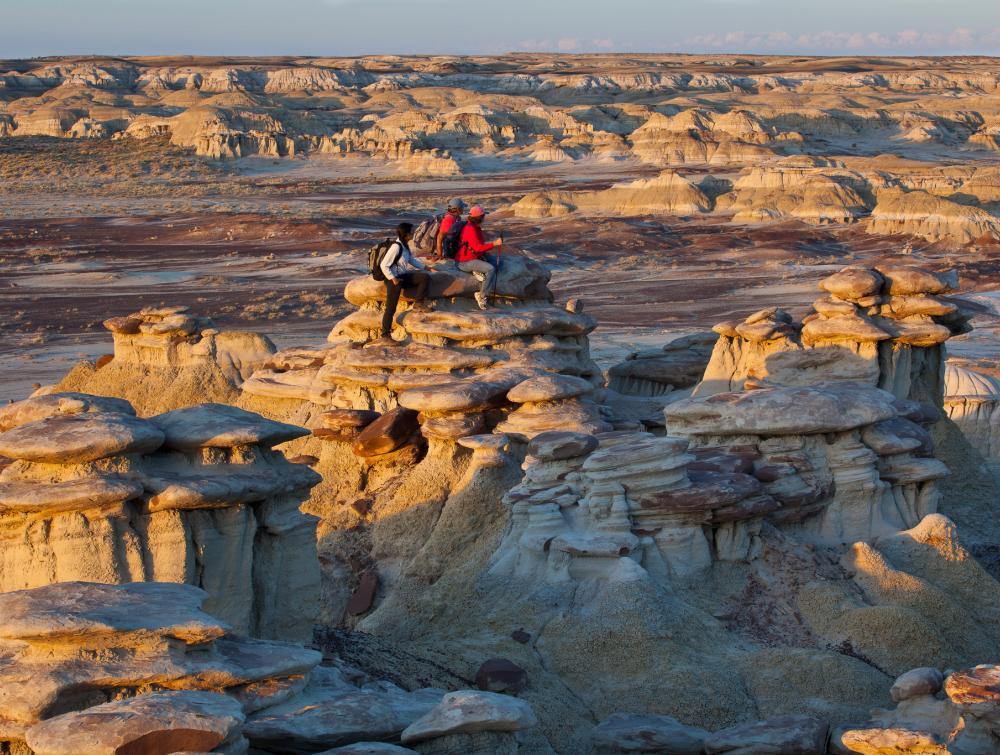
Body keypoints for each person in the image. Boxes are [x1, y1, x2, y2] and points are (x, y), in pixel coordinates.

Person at [378, 222, 429, 344]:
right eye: (411, 232)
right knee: (391, 308)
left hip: (402, 276)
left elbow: (410, 259)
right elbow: (383, 265)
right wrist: (393, 278)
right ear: (406, 234)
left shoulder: (404, 245)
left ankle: (419, 303)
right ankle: (385, 335)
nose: (413, 233)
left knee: (424, 278)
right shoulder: (396, 247)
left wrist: (425, 268)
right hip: (393, 280)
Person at [456, 205, 503, 310]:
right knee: (491, 269)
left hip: (473, 257)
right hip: (464, 262)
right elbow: (477, 248)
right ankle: (481, 296)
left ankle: (478, 271)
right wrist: (494, 244)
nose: (484, 217)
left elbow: (479, 246)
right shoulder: (470, 229)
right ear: (479, 217)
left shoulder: (476, 227)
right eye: (483, 215)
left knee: (497, 263)